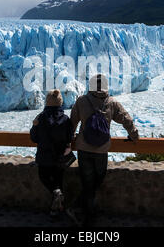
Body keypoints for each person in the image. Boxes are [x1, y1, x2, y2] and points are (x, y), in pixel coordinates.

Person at [67, 74, 139, 226]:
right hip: (102, 150)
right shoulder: (111, 102)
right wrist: (134, 135)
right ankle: (88, 216)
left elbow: (72, 123)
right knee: (97, 181)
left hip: (84, 149)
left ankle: (79, 210)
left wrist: (69, 141)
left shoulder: (81, 101)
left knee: (88, 183)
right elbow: (125, 118)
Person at [30, 89, 73, 217]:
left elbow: (34, 138)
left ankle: (55, 203)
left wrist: (34, 125)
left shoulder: (41, 118)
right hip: (60, 157)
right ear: (60, 103)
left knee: (44, 177)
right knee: (58, 181)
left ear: (47, 102)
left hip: (44, 156)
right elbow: (69, 137)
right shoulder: (65, 119)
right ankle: (57, 209)